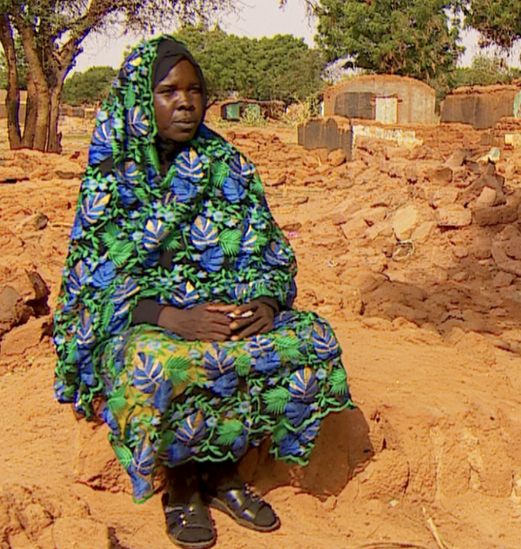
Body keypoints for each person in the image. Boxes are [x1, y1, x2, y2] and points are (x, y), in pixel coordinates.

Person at [52, 36, 353, 549]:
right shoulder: (114, 172)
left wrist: (264, 302)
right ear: (141, 99)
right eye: (168, 90)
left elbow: (268, 249)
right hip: (142, 321)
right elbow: (90, 283)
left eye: (194, 90)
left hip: (224, 308)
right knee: (161, 363)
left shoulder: (226, 164)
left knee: (311, 340)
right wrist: (171, 318)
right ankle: (183, 485)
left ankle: (222, 472)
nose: (185, 102)